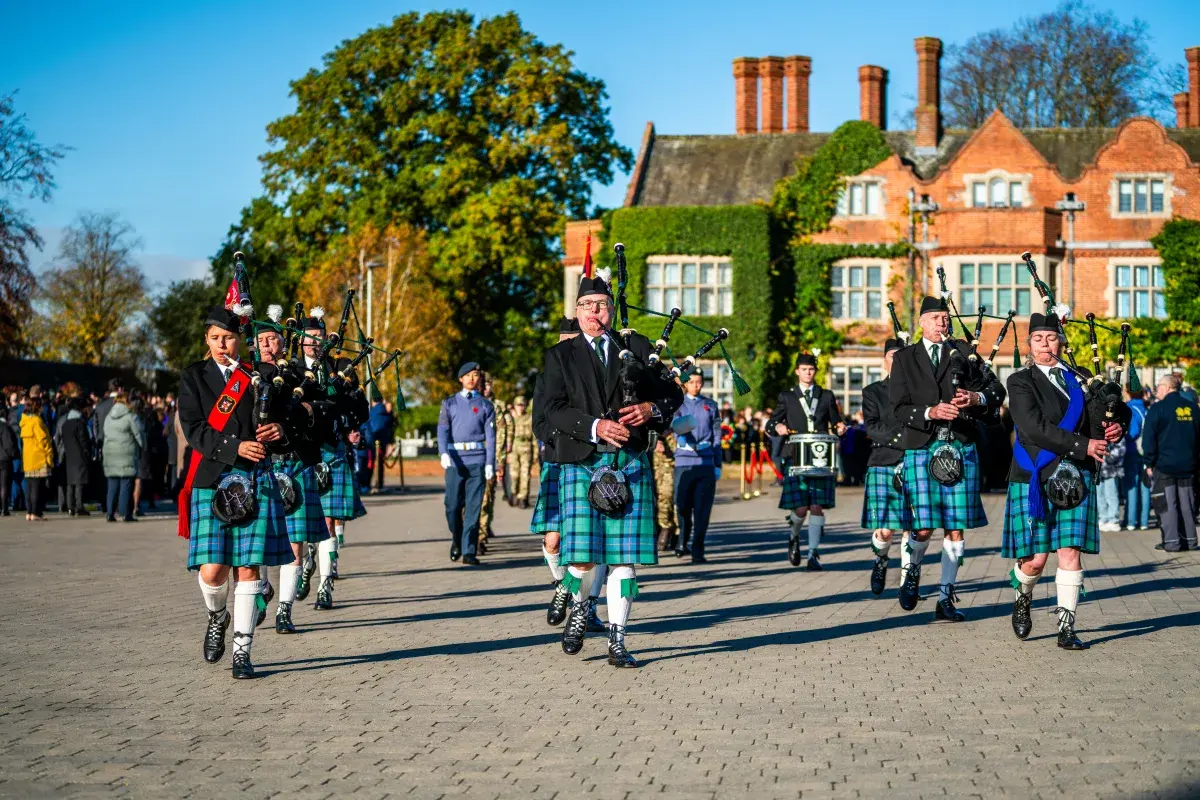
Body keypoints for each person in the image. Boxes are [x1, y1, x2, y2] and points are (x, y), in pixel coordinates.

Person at [541, 269, 682, 668]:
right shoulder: (560, 356)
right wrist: (594, 425)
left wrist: (651, 409)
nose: (594, 312)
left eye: (601, 306)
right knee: (582, 558)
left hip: (630, 462)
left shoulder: (635, 346)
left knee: (623, 557)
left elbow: (672, 394)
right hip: (582, 459)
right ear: (577, 310)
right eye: (586, 305)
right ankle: (583, 605)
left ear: (610, 310)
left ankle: (618, 638)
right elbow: (551, 409)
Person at [178, 306, 298, 679]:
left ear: (240, 341)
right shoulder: (194, 376)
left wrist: (280, 432)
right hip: (213, 476)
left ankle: (242, 652)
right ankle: (217, 615)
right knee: (213, 572)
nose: (220, 345)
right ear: (206, 341)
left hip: (255, 477)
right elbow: (194, 427)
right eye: (214, 338)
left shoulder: (261, 375)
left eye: (227, 338)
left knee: (247, 569)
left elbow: (284, 422)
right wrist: (234, 448)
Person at [1002, 314, 1126, 649]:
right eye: (1038, 338)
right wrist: (1084, 444)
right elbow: (1032, 427)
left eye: (1051, 337)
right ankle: (1023, 596)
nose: (1045, 344)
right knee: (1036, 560)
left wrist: (1117, 426)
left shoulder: (1082, 378)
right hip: (1035, 474)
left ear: (1062, 342)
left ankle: (1066, 627)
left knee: (1069, 552)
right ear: (1029, 345)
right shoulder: (1019, 380)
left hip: (1075, 476)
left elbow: (1112, 409)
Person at [888, 296, 1005, 621]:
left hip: (961, 446)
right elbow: (898, 407)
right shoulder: (906, 358)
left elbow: (997, 390)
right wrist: (931, 410)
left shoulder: (964, 353)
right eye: (936, 317)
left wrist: (975, 396)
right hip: (922, 445)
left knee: (955, 528)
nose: (943, 322)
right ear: (922, 322)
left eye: (945, 317)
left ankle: (945, 597)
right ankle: (911, 571)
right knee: (923, 527)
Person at [530, 317, 608, 631]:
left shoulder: (595, 371)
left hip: (595, 461)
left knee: (596, 541)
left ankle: (586, 606)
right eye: (564, 338)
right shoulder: (548, 373)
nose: (567, 344)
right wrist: (568, 438)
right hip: (558, 460)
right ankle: (566, 589)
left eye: (572, 338)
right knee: (554, 540)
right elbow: (540, 421)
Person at [254, 319, 330, 634]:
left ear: (284, 343)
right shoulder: (247, 376)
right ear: (255, 345)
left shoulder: (301, 376)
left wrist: (308, 411)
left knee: (295, 541)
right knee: (257, 541)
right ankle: (262, 590)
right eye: (263, 340)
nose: (270, 345)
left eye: (274, 339)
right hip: (260, 465)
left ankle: (284, 609)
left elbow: (327, 408)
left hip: (295, 463)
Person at [298, 309, 369, 609]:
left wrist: (352, 424)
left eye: (319, 338)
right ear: (299, 342)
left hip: (331, 449)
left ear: (328, 339)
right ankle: (306, 562)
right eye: (308, 338)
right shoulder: (289, 370)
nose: (314, 343)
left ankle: (325, 584)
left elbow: (360, 408)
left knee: (328, 520)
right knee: (299, 522)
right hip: (300, 453)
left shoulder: (341, 366)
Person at [771, 352, 845, 570]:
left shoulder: (826, 395)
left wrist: (840, 428)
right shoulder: (787, 396)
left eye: (811, 369)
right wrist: (778, 427)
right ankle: (793, 535)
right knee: (801, 507)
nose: (808, 373)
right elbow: (772, 422)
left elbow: (836, 421)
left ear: (816, 372)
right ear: (797, 372)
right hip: (795, 455)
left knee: (816, 506)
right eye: (804, 369)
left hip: (821, 456)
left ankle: (813, 554)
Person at [861, 339, 913, 595]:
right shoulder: (872, 392)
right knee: (884, 531)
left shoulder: (919, 391)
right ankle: (881, 559)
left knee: (911, 527)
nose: (897, 360)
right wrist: (906, 438)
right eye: (893, 356)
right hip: (883, 461)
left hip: (914, 462)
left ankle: (906, 581)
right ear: (885, 360)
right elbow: (872, 427)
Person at [438, 362, 496, 566]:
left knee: (473, 507)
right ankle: (457, 539)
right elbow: (443, 431)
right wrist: (443, 453)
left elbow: (491, 437)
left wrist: (490, 463)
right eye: (468, 375)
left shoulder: (486, 405)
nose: (472, 379)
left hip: (477, 460)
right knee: (452, 506)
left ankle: (469, 550)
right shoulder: (449, 403)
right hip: (455, 461)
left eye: (476, 375)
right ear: (460, 379)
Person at [1142, 374, 1200, 552]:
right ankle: (1190, 540)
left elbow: (1149, 439)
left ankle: (1172, 541)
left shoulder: (1158, 409)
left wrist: (1148, 463)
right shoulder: (1193, 408)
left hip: (1164, 465)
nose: (1157, 389)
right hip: (1189, 465)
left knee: (1167, 504)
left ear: (1167, 387)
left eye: (1159, 385)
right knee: (1187, 503)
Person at [672, 369, 722, 563]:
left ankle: (698, 548)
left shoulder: (710, 405)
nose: (696, 385)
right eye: (692, 382)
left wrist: (717, 462)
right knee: (682, 504)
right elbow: (674, 425)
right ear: (686, 384)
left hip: (705, 461)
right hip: (684, 461)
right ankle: (683, 538)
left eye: (699, 382)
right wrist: (681, 438)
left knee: (702, 508)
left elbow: (716, 434)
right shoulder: (678, 404)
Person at [102, 393, 144, 522]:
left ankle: (110, 513)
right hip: (126, 453)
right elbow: (139, 435)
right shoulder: (131, 417)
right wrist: (143, 446)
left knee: (112, 484)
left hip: (110, 452)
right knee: (126, 483)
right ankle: (125, 513)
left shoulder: (108, 417)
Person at [19, 395, 54, 521]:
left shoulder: (24, 422)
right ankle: (36, 512)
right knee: (37, 488)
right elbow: (44, 440)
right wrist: (49, 456)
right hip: (39, 457)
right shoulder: (37, 421)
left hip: (28, 457)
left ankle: (29, 512)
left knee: (29, 487)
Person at [477, 377, 502, 551]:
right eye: (482, 384)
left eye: (487, 384)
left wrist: (498, 462)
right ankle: (471, 534)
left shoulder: (495, 407)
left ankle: (480, 537)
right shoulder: (465, 403)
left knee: (486, 499)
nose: (485, 388)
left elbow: (500, 437)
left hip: (489, 458)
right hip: (470, 459)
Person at [1123, 387, 1152, 531]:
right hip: (1147, 452)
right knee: (1145, 486)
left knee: (1132, 486)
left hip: (1133, 451)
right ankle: (1144, 521)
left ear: (1128, 393)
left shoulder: (1130, 409)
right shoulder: (1147, 408)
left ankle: (1131, 521)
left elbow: (1133, 432)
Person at [60, 397, 92, 516]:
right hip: (80, 456)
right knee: (79, 482)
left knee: (70, 482)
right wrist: (87, 453)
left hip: (69, 455)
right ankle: (79, 506)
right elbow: (84, 441)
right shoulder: (80, 423)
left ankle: (70, 507)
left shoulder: (65, 424)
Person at [507, 396, 536, 509]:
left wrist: (536, 453)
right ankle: (514, 493)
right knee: (514, 474)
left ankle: (523, 497)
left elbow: (534, 438)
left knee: (525, 474)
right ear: (514, 406)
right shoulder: (511, 418)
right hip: (514, 447)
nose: (520, 407)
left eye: (522, 405)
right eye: (518, 405)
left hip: (526, 447)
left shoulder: (529, 418)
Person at [364, 391, 396, 494]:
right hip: (382, 441)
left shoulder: (371, 412)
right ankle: (380, 484)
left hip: (370, 441)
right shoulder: (386, 413)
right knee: (380, 463)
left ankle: (367, 484)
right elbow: (391, 427)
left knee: (369, 463)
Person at [651, 430, 677, 551]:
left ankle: (676, 533)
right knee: (661, 496)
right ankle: (664, 528)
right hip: (659, 454)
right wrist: (654, 439)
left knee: (676, 498)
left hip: (681, 454)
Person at [1096, 433, 1126, 533]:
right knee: (1099, 495)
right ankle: (1103, 518)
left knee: (1111, 495)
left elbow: (1121, 449)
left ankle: (1114, 520)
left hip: (1111, 470)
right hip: (1098, 470)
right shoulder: (1097, 430)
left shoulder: (1116, 431)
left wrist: (1108, 457)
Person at [0, 406, 17, 515]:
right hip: (4, 459)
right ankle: (4, 508)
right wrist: (13, 454)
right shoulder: (5, 427)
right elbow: (8, 445)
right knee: (4, 485)